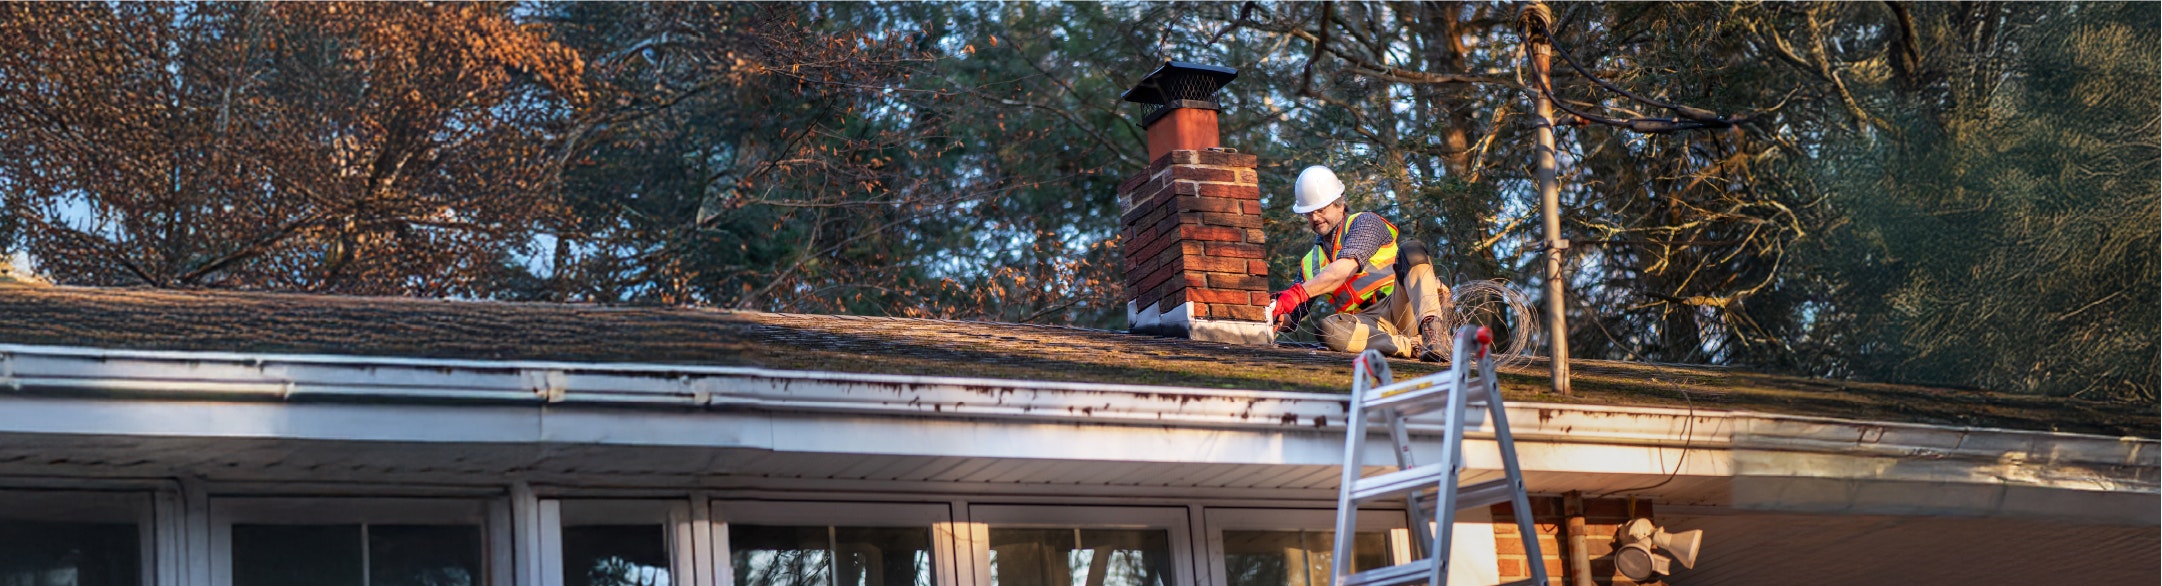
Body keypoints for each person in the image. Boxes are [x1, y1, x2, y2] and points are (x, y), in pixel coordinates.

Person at [1268, 165, 1454, 360]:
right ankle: (1413, 347)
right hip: (1367, 326)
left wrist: (1297, 294)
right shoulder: (1310, 262)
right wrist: (1277, 313)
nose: (1315, 217)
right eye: (1308, 213)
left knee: (1412, 249)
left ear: (1340, 204)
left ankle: (1433, 336)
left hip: (1403, 306)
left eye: (1320, 209)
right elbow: (1293, 318)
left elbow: (1346, 266)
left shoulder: (1364, 223)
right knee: (1327, 329)